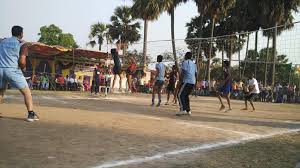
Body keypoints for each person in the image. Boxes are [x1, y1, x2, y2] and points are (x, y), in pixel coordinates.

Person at [0, 26, 39, 122]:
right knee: (27, 92)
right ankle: (30, 114)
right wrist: (23, 67)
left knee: (1, 92)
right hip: (12, 70)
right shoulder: (22, 44)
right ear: (21, 34)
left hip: (0, 69)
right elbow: (22, 61)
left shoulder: (2, 42)